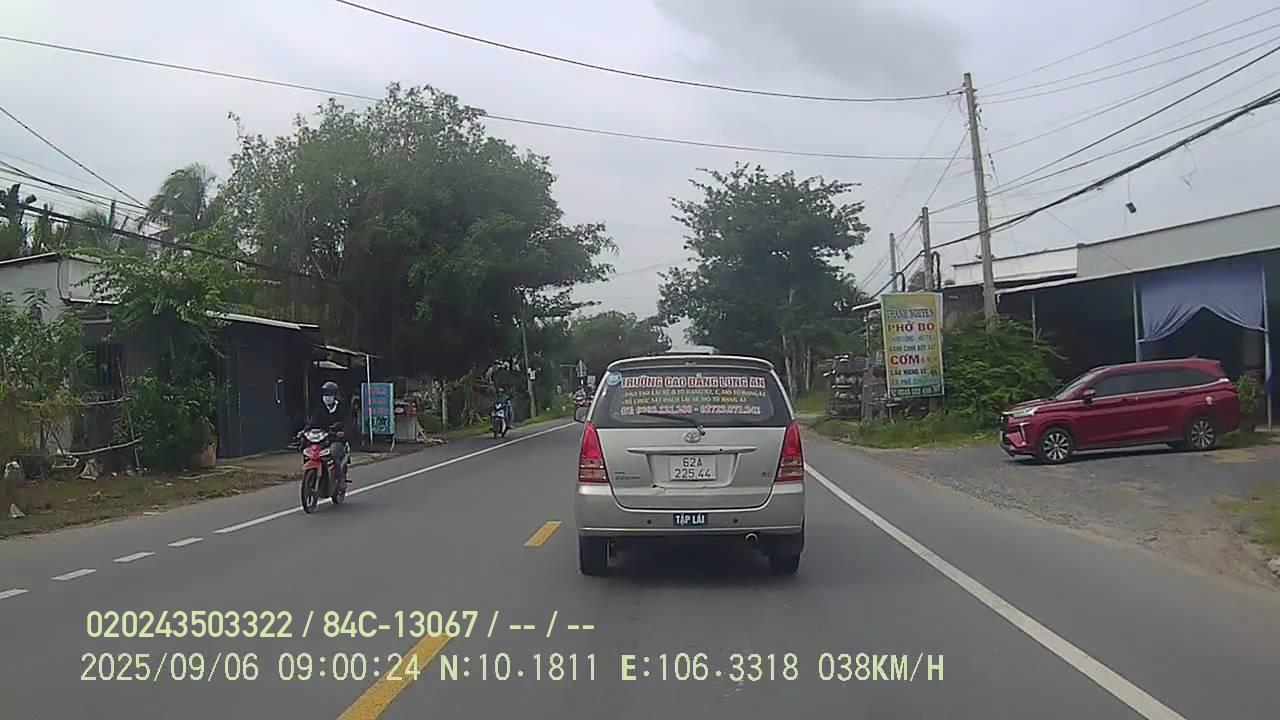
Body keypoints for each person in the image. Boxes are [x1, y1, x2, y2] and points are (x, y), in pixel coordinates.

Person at [306, 381, 352, 485]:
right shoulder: (320, 408)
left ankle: (340, 480)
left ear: (335, 395)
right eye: (325, 394)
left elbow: (347, 422)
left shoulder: (342, 408)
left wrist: (342, 432)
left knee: (334, 452)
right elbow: (312, 421)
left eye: (330, 394)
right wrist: (305, 430)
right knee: (308, 450)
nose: (327, 397)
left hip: (336, 439)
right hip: (322, 438)